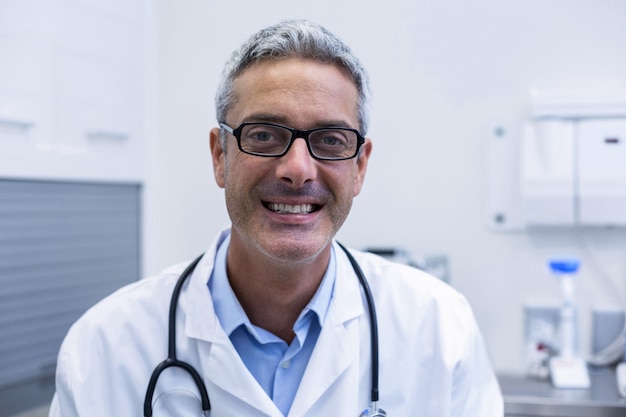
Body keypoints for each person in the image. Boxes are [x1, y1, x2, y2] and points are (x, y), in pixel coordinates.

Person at [49, 19, 503, 417]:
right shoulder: (104, 348)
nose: (298, 170)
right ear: (219, 156)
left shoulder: (441, 331)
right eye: (264, 135)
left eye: (329, 139)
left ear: (360, 166)